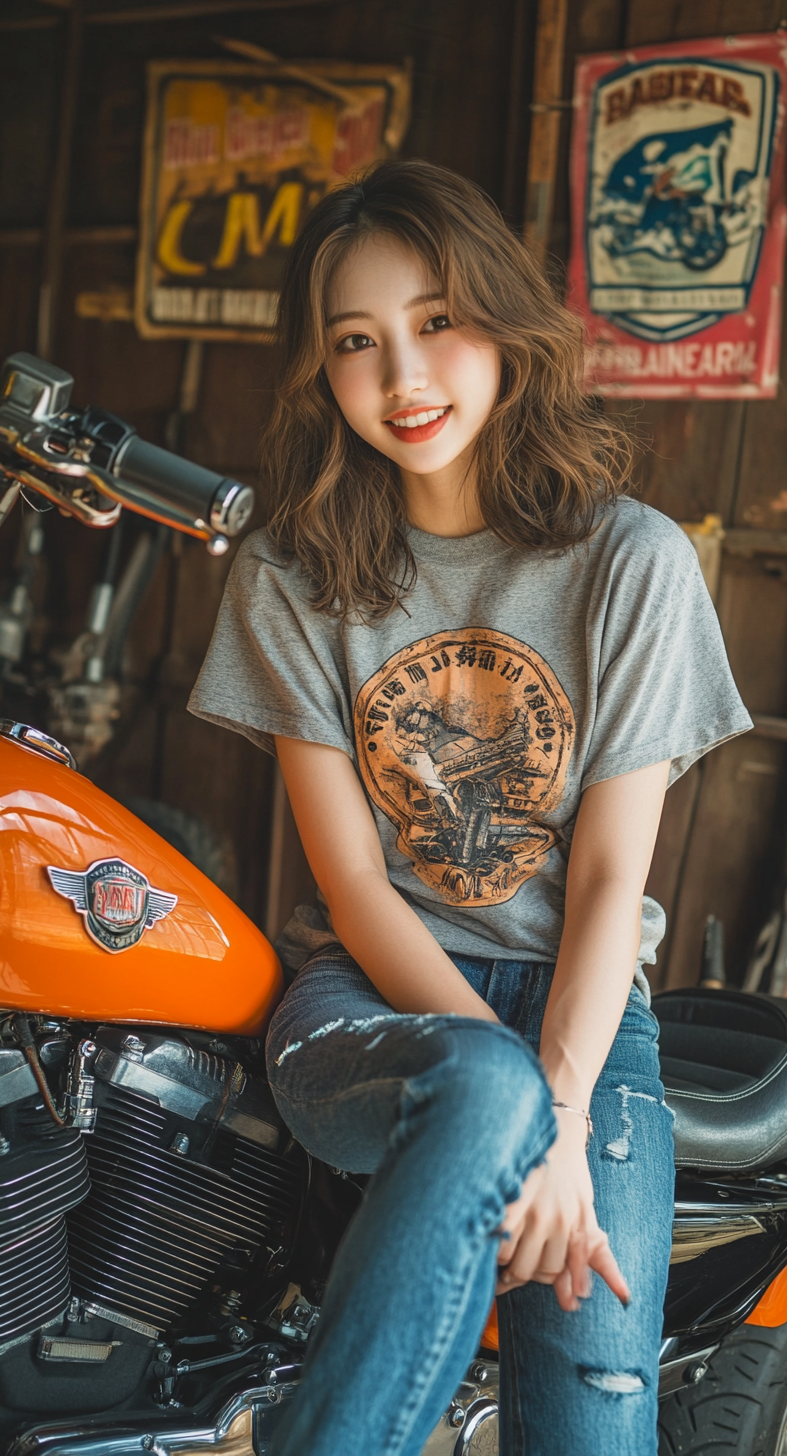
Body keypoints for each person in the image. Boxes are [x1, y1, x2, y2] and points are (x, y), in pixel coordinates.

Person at [189, 158, 752, 1456]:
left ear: (502, 319)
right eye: (355, 342)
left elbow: (610, 882)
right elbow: (357, 890)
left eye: (436, 321)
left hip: (590, 1010)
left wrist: (561, 1109)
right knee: (485, 1090)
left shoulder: (633, 565)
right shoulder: (295, 575)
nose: (402, 376)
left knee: (599, 1406)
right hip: (370, 1003)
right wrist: (521, 1102)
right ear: (320, 373)